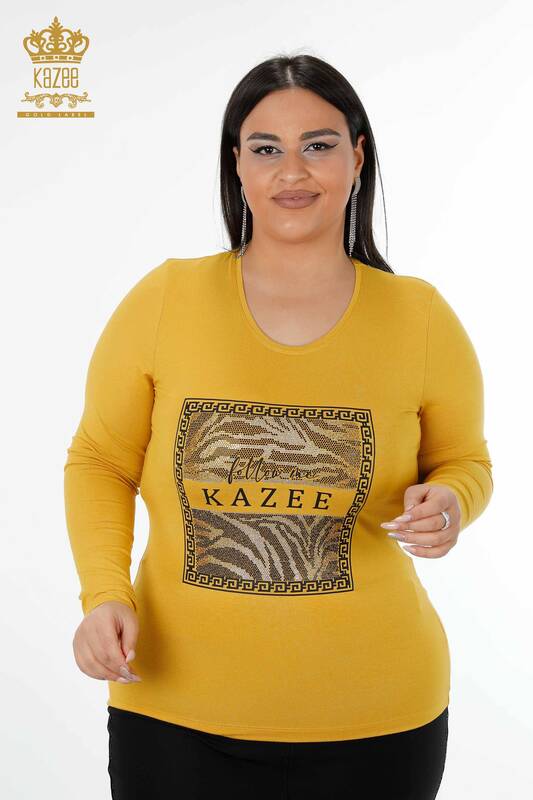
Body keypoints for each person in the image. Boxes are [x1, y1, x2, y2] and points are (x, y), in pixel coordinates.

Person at [64, 52, 493, 799]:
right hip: (173, 714)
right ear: (236, 163)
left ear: (357, 157)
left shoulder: (419, 317)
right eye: (266, 148)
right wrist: (104, 594)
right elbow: (101, 460)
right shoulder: (166, 300)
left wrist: (452, 502)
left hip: (378, 718)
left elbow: (466, 460)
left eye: (318, 145)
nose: (292, 171)